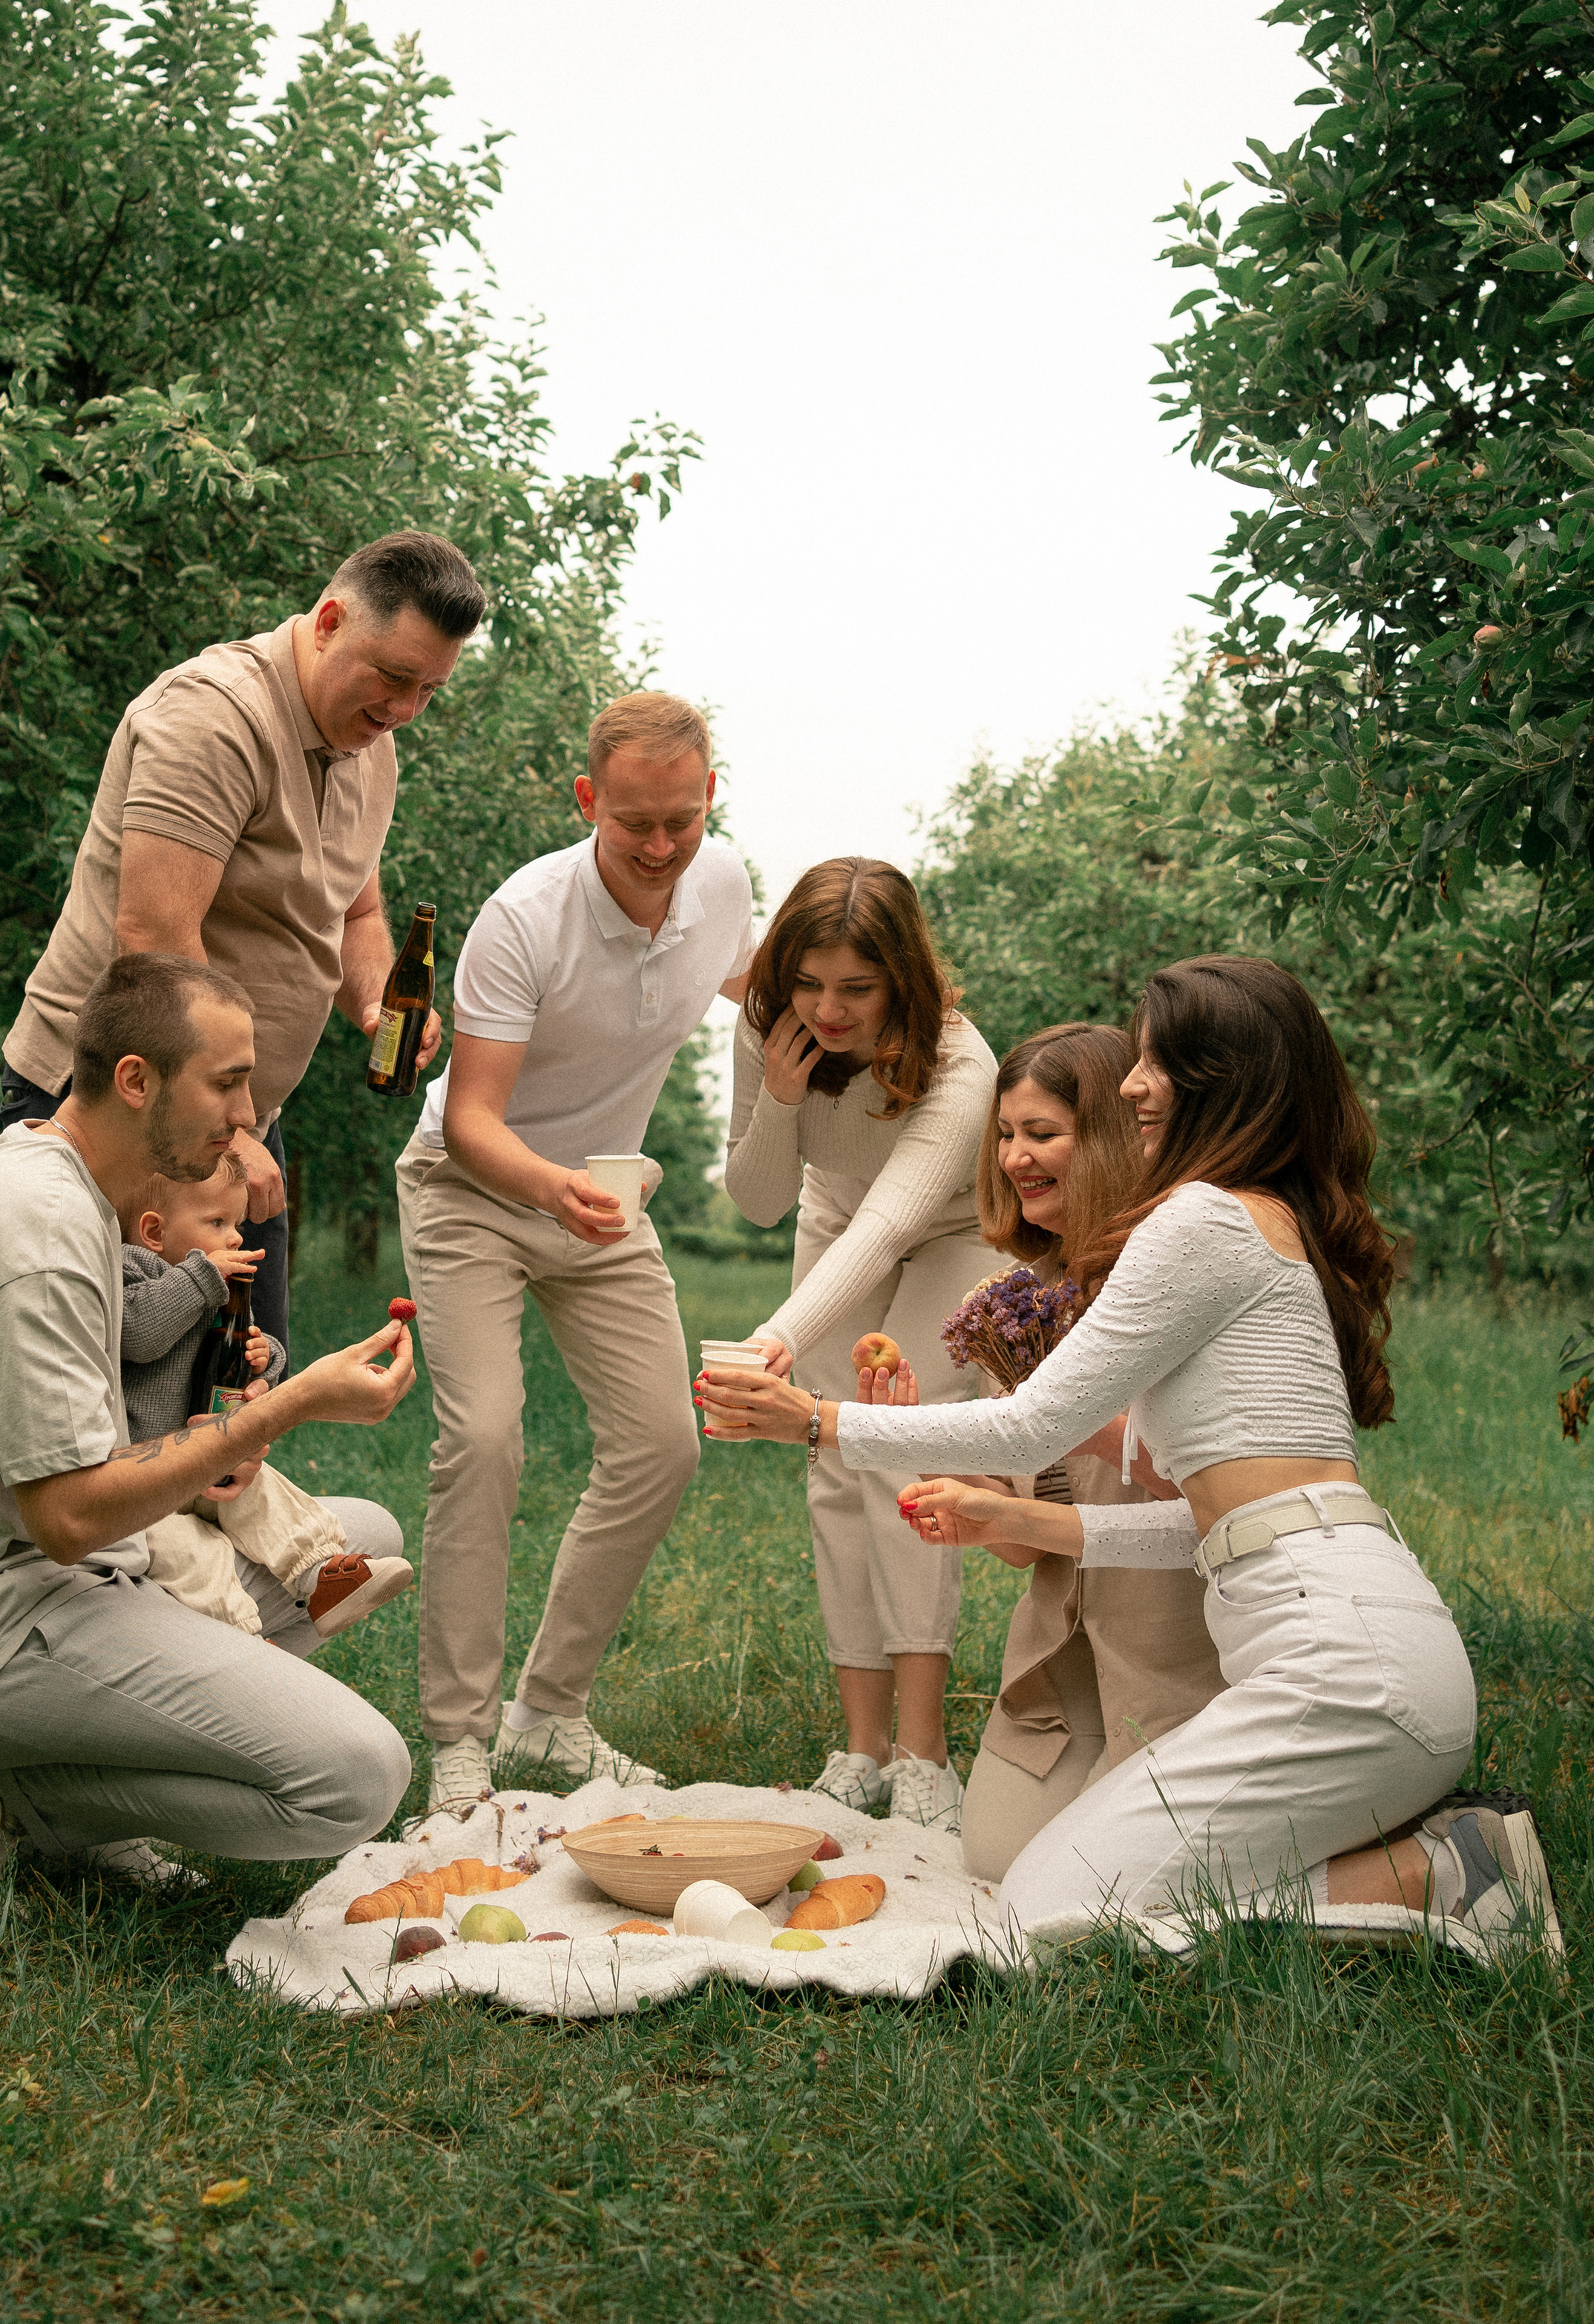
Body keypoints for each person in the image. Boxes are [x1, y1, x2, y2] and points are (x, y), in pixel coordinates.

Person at [698, 957, 1560, 1962]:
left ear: (1222, 1077)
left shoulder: (1198, 1219)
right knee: (1066, 1888)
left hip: (1345, 1675)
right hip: (1376, 1659)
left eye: (1158, 1061)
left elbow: (1033, 1428)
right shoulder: (1256, 1219)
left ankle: (1444, 1870)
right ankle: (1435, 1860)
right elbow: (1196, 1528)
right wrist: (1012, 1517)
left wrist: (815, 1420)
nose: (1136, 1083)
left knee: (1054, 1916)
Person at [0, 953, 418, 1922]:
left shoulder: (79, 1191)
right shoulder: (42, 1228)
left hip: (67, 1575)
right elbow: (68, 1514)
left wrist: (224, 1439)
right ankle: (9, 1788)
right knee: (359, 1780)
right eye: (227, 1083)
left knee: (363, 1542)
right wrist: (285, 1407)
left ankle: (44, 1765)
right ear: (136, 1079)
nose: (248, 1117)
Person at [0, 530, 485, 1354]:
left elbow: (355, 914)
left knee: (238, 1392)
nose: (404, 710)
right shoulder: (212, 717)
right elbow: (154, 941)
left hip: (240, 1114)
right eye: (394, 678)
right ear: (329, 620)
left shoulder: (372, 747)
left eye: (430, 691)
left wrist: (374, 1004)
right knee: (106, 1409)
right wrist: (232, 1129)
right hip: (115, 1110)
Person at [399, 692, 755, 1814]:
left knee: (663, 1446)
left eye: (681, 822)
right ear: (588, 801)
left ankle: (549, 1717)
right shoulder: (525, 918)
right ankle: (458, 1739)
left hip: (599, 1194)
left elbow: (776, 988)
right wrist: (555, 1191)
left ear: (711, 797)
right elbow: (472, 1121)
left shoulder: (727, 884)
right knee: (488, 1437)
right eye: (634, 823)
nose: (659, 849)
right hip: (475, 1190)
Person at [718, 859, 997, 1828]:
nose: (826, 1010)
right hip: (835, 1219)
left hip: (956, 1229)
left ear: (902, 983)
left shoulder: (961, 1063)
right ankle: (863, 1746)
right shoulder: (771, 1030)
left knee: (897, 1439)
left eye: (856, 989)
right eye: (807, 983)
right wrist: (783, 1099)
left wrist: (773, 1342)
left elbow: (893, 1226)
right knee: (832, 1462)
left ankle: (926, 1755)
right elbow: (755, 1202)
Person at [957, 1023, 1224, 1884]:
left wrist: (1061, 1416)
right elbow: (1017, 1542)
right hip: (1062, 1664)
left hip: (1172, 1653)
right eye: (1005, 1135)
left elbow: (1211, 1486)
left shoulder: (1176, 1280)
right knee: (998, 1861)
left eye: (1042, 1134)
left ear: (1107, 1140)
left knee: (1119, 1886)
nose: (1015, 1159)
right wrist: (928, 1457)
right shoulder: (1023, 1308)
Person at [119, 1156, 413, 1644]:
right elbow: (137, 1335)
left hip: (205, 1459)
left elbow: (237, 1354)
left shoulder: (216, 1284)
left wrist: (265, 1358)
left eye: (236, 1223)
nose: (235, 1237)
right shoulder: (135, 1271)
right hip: (141, 1486)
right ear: (154, 1231)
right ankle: (242, 1641)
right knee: (194, 1554)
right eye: (217, 1222)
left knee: (267, 1493)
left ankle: (321, 1574)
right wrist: (200, 1278)